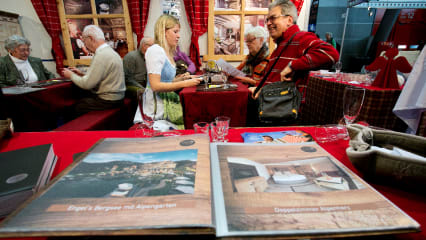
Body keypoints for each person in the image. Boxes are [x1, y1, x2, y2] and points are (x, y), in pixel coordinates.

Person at [249, 0, 339, 98]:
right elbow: (272, 80)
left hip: (286, 110)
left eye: (273, 18)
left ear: (289, 20)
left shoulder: (301, 38)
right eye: (267, 20)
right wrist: (259, 89)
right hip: (272, 106)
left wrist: (292, 66)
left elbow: (331, 54)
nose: (268, 23)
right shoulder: (281, 45)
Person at [135, 15, 201, 129]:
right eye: (175, 31)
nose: (178, 35)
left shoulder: (166, 52)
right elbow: (155, 85)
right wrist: (185, 84)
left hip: (166, 104)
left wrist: (182, 78)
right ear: (164, 31)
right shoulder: (155, 50)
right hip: (156, 109)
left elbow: (166, 81)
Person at [62, 25, 126, 117]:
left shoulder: (101, 55)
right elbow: (104, 75)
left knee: (75, 107)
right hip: (118, 98)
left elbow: (87, 84)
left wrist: (70, 75)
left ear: (91, 38)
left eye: (84, 41)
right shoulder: (111, 52)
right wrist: (81, 74)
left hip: (108, 100)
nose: (85, 45)